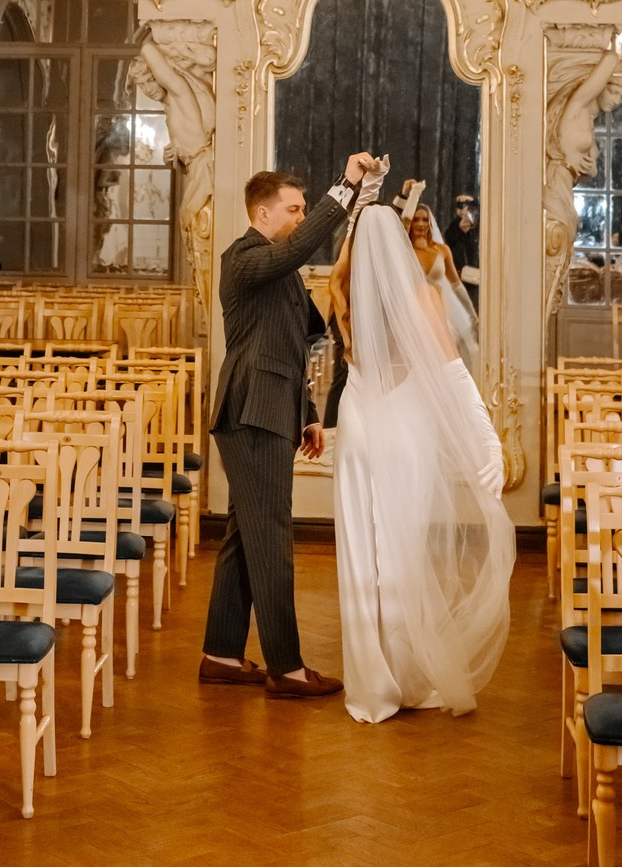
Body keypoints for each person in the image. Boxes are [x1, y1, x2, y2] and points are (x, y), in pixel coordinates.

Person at [200, 152, 378, 698]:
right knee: (272, 536)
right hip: (251, 411)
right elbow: (302, 247)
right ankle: (287, 667)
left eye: (305, 210)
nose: (301, 220)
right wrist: (344, 186)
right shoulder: (243, 257)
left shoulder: (280, 266)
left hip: (271, 409)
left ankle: (221, 655)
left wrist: (308, 416)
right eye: (294, 210)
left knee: (244, 535)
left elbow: (303, 339)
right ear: (262, 214)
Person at [328, 204, 514, 725]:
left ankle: (370, 688)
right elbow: (455, 377)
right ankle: (406, 676)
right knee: (400, 554)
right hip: (401, 428)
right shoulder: (422, 297)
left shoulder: (342, 291)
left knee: (359, 559)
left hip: (358, 423)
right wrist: (488, 442)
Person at [401, 190, 481, 376]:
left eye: (424, 220)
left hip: (439, 316)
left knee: (445, 367)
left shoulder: (442, 251)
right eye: (416, 219)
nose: (420, 224)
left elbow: (456, 285)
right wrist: (412, 196)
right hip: (412, 317)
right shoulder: (404, 251)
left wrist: (471, 314)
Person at [443, 192, 481, 312]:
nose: (465, 209)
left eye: (469, 206)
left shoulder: (480, 226)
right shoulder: (454, 225)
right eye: (461, 205)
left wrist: (474, 204)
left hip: (477, 274)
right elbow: (449, 239)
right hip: (459, 274)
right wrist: (459, 229)